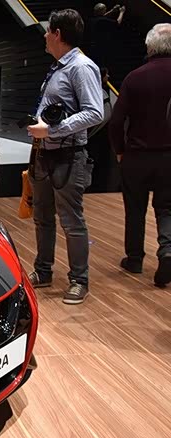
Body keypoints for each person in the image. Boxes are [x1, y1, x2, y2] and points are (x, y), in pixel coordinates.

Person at [26, 9, 104, 305]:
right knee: (42, 216)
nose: (45, 36)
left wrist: (52, 129)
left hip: (68, 155)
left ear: (57, 34)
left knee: (71, 220)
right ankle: (43, 271)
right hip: (44, 154)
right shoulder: (58, 67)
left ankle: (79, 280)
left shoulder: (81, 67)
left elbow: (95, 112)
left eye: (48, 31)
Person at [108, 23, 171, 287]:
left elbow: (115, 121)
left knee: (135, 208)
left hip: (137, 155)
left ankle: (134, 259)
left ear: (149, 46)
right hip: (169, 157)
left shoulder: (135, 77)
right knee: (167, 207)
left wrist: (120, 150)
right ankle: (167, 250)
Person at [87, 3, 126, 70]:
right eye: (104, 9)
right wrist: (122, 12)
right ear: (102, 11)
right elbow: (117, 23)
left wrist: (112, 10)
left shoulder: (92, 19)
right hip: (101, 48)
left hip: (93, 47)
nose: (106, 10)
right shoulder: (102, 20)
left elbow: (102, 16)